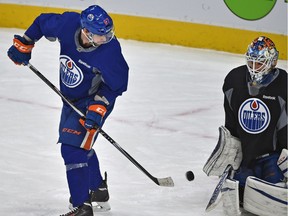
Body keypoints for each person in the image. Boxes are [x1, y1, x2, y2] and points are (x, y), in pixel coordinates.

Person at [7, 5, 129, 216]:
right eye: (101, 35)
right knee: (79, 145)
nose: (107, 38)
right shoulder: (68, 24)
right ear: (86, 32)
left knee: (72, 149)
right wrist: (25, 43)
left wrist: (98, 108)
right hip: (70, 99)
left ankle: (81, 206)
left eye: (109, 33)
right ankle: (98, 190)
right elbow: (42, 22)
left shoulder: (110, 52)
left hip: (93, 103)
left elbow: (116, 85)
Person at [203, 36, 287, 215]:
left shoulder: (284, 86)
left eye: (260, 63)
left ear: (273, 63)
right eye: (251, 61)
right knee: (241, 190)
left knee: (275, 189)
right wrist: (229, 153)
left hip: (273, 156)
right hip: (246, 156)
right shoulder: (234, 80)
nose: (254, 67)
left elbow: (285, 128)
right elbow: (231, 123)